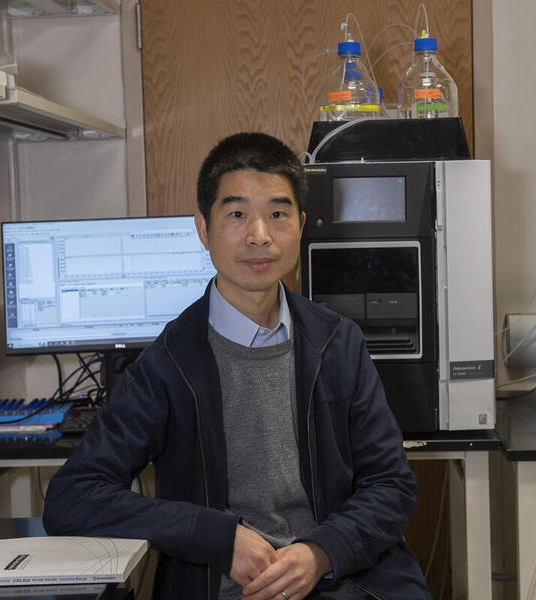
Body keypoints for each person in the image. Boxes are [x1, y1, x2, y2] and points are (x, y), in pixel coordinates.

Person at [42, 132, 430, 600]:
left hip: (341, 579)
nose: (259, 235)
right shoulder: (169, 361)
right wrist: (218, 537)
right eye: (237, 214)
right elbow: (73, 496)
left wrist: (320, 552)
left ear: (301, 225)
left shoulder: (337, 343)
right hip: (221, 586)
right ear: (203, 229)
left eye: (278, 214)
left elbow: (391, 484)